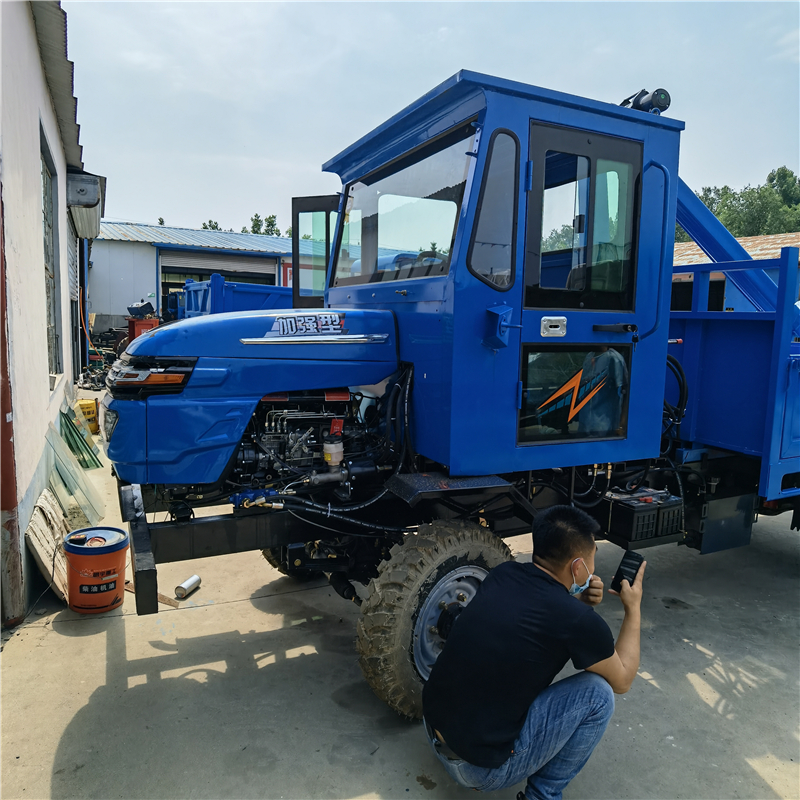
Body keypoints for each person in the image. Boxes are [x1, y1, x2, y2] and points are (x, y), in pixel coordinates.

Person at [422, 505, 646, 800]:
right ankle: (542, 796)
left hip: (435, 728)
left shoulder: (503, 573)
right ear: (578, 567)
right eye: (591, 561)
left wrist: (577, 599)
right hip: (477, 769)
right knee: (598, 695)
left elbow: (542, 607)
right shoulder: (576, 620)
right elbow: (623, 680)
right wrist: (633, 609)